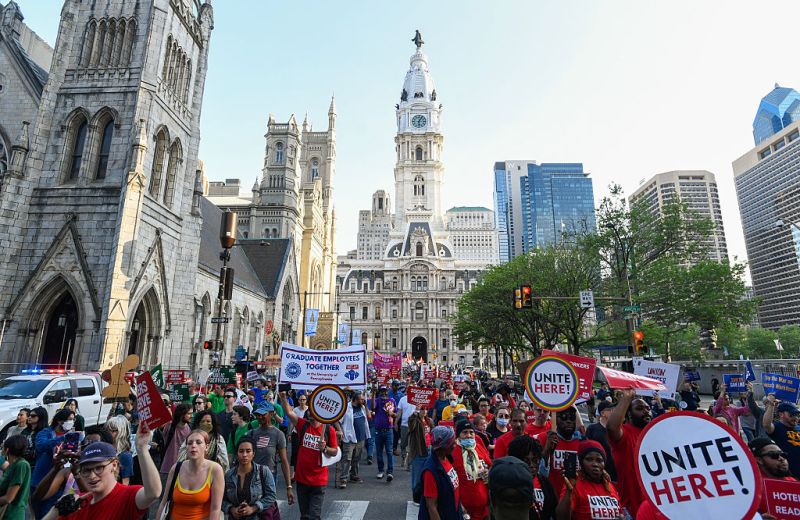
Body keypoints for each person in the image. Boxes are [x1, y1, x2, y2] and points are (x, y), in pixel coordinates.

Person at [43, 429, 162, 520]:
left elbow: (153, 493)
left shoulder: (127, 496)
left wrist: (142, 449)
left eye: (99, 468)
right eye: (86, 470)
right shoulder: (77, 505)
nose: (92, 476)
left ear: (114, 465)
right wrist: (55, 511)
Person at [279, 390, 335, 520]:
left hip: (319, 481)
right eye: (310, 410)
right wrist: (283, 398)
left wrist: (325, 448)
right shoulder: (303, 425)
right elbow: (289, 412)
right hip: (302, 479)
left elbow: (336, 451)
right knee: (304, 516)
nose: (310, 412)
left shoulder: (328, 430)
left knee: (314, 516)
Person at [156, 429, 224, 520]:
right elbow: (164, 502)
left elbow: (215, 508)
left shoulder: (215, 470)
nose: (193, 446)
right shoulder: (176, 468)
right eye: (190, 443)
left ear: (206, 447)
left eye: (198, 442)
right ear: (186, 447)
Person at [607, 388, 651, 518]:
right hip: (631, 509)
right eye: (639, 408)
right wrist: (626, 398)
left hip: (653, 507)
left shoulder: (654, 434)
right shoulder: (625, 433)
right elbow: (611, 427)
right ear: (629, 414)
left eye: (648, 408)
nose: (646, 411)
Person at [555, 440, 622, 520]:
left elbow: (620, 514)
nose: (595, 464)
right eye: (589, 459)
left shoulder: (610, 486)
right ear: (581, 463)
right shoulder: (575, 484)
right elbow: (561, 517)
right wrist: (569, 491)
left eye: (599, 460)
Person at [32, 408, 75, 518]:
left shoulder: (72, 436)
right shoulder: (45, 432)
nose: (72, 422)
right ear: (60, 421)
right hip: (40, 480)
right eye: (70, 419)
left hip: (58, 484)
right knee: (37, 513)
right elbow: (40, 446)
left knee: (48, 514)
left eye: (73, 419)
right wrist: (61, 438)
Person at [222, 437, 278, 519]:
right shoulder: (229, 475)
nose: (244, 455)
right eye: (241, 451)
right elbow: (221, 499)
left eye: (248, 451)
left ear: (253, 454)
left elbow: (271, 496)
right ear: (237, 454)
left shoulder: (263, 471)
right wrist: (232, 509)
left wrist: (253, 508)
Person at [507, 434, 557, 520]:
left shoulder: (545, 483)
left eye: (535, 460)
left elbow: (553, 510)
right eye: (526, 461)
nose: (531, 465)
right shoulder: (508, 486)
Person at [419, 426, 464, 520]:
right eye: (452, 442)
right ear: (444, 446)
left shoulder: (447, 458)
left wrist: (460, 508)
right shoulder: (430, 471)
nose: (455, 444)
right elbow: (431, 507)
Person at [246, 402, 290, 492]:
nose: (259, 417)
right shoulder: (251, 433)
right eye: (257, 414)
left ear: (271, 414)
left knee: (268, 504)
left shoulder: (278, 434)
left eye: (263, 414)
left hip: (269, 476)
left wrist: (289, 486)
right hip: (252, 476)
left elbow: (284, 461)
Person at [452, 420, 491, 520]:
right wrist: (458, 504)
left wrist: (488, 472)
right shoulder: (453, 452)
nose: (469, 435)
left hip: (484, 507)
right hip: (465, 509)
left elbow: (491, 466)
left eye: (471, 432)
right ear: (458, 435)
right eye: (465, 432)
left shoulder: (479, 448)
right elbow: (450, 482)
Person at [338, 391, 371, 487]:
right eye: (361, 399)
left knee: (356, 458)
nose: (363, 400)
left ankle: (354, 475)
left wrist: (366, 406)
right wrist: (340, 431)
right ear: (355, 399)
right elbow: (337, 421)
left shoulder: (362, 407)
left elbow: (369, 417)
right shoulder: (346, 408)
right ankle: (343, 478)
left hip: (361, 437)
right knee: (347, 458)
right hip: (349, 437)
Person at [763, 397, 800, 478]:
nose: (796, 418)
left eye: (797, 415)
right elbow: (766, 425)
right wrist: (771, 404)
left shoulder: (798, 427)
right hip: (790, 474)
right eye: (792, 415)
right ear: (781, 414)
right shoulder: (777, 428)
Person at [584, 401, 617, 482]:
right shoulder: (593, 429)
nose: (614, 412)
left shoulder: (618, 430)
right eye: (611, 410)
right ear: (603, 413)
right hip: (598, 474)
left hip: (616, 475)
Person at [0, 434, 31, 519]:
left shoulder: (21, 465)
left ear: (7, 450)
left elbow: (8, 498)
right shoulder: (12, 465)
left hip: (12, 515)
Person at [371, 385, 397, 482]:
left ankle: (390, 472)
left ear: (387, 391)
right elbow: (373, 407)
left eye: (385, 391)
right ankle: (381, 470)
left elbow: (396, 414)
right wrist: (373, 393)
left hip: (389, 430)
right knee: (379, 452)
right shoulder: (377, 400)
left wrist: (392, 414)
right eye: (381, 391)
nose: (383, 393)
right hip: (378, 430)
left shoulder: (392, 401)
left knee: (389, 451)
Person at [161, 404, 192, 475]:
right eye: (189, 414)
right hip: (168, 469)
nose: (191, 416)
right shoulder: (170, 426)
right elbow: (161, 426)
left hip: (184, 470)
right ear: (181, 414)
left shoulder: (191, 428)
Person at [409, 411, 431, 505]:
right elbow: (411, 427)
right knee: (417, 476)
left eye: (426, 409)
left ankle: (424, 496)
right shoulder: (414, 419)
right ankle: (416, 497)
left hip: (429, 450)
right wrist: (415, 414)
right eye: (422, 409)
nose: (424, 411)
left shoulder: (429, 420)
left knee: (427, 476)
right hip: (418, 451)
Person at [104, 416, 134, 485]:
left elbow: (125, 485)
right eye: (108, 430)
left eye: (114, 430)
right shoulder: (106, 449)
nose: (109, 433)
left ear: (121, 433)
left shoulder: (125, 456)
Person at [290, 392, 309, 478]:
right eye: (300, 400)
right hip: (296, 433)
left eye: (304, 400)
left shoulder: (309, 410)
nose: (302, 401)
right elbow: (292, 423)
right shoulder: (295, 410)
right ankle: (293, 473)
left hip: (306, 434)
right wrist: (289, 433)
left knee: (305, 453)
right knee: (295, 452)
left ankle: (303, 471)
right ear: (298, 401)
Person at [396, 392, 416, 468]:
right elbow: (399, 412)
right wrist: (396, 422)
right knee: (403, 444)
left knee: (411, 445)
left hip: (414, 425)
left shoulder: (417, 400)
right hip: (404, 425)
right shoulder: (403, 399)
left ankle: (409, 464)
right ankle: (404, 457)